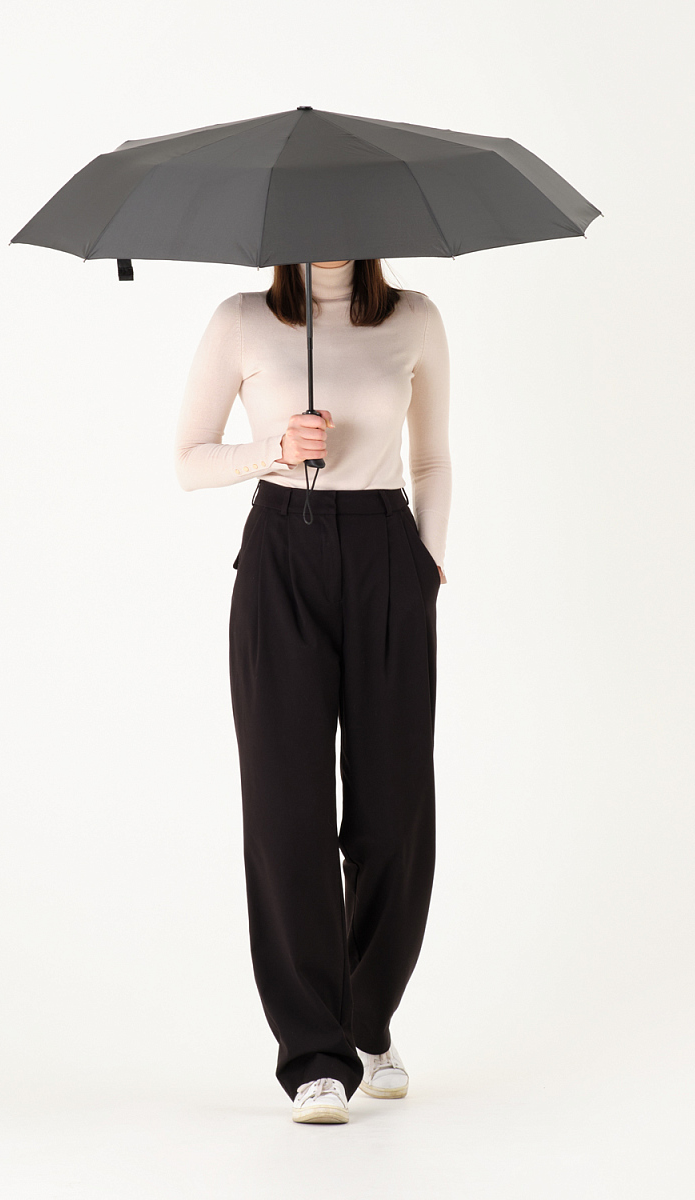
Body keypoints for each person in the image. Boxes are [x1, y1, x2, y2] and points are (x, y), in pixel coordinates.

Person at [174, 259, 450, 1124]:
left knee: (394, 811)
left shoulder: (414, 317)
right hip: (281, 554)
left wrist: (429, 565)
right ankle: (314, 1056)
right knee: (285, 808)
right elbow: (188, 460)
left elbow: (432, 457)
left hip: (386, 552)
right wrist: (275, 450)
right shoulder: (241, 319)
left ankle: (367, 1020)